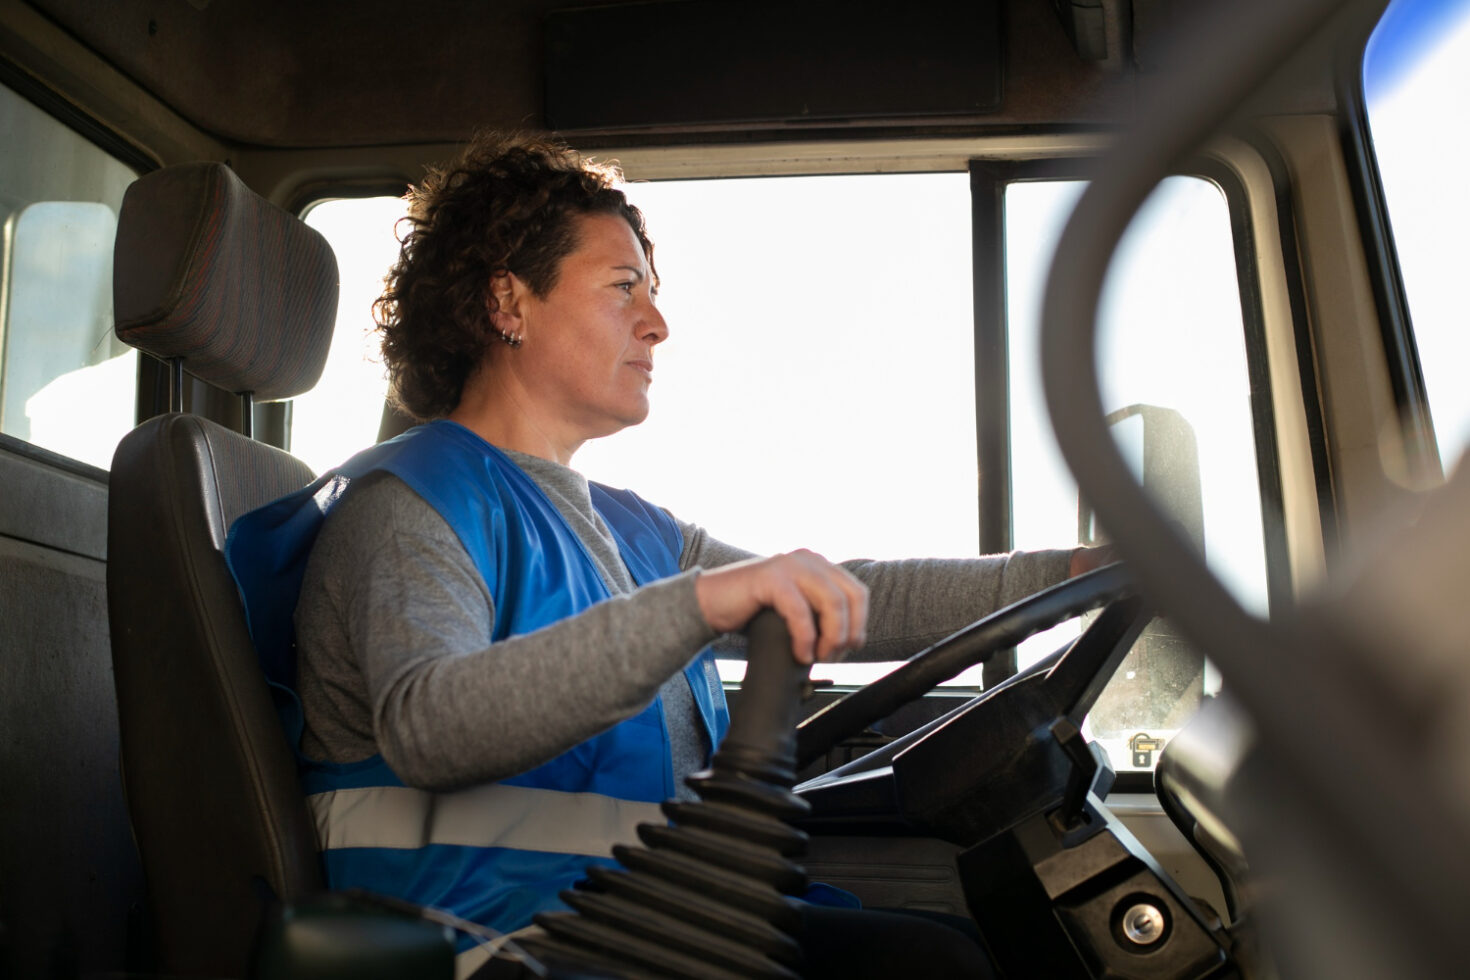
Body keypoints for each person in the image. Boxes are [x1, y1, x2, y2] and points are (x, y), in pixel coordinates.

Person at [227, 132, 1109, 979]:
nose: (657, 324)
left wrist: (1071, 579)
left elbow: (851, 595)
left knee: (947, 958)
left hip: (647, 923)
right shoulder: (408, 508)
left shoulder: (633, 529)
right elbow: (429, 726)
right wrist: (702, 605)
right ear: (508, 303)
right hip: (495, 947)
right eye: (623, 288)